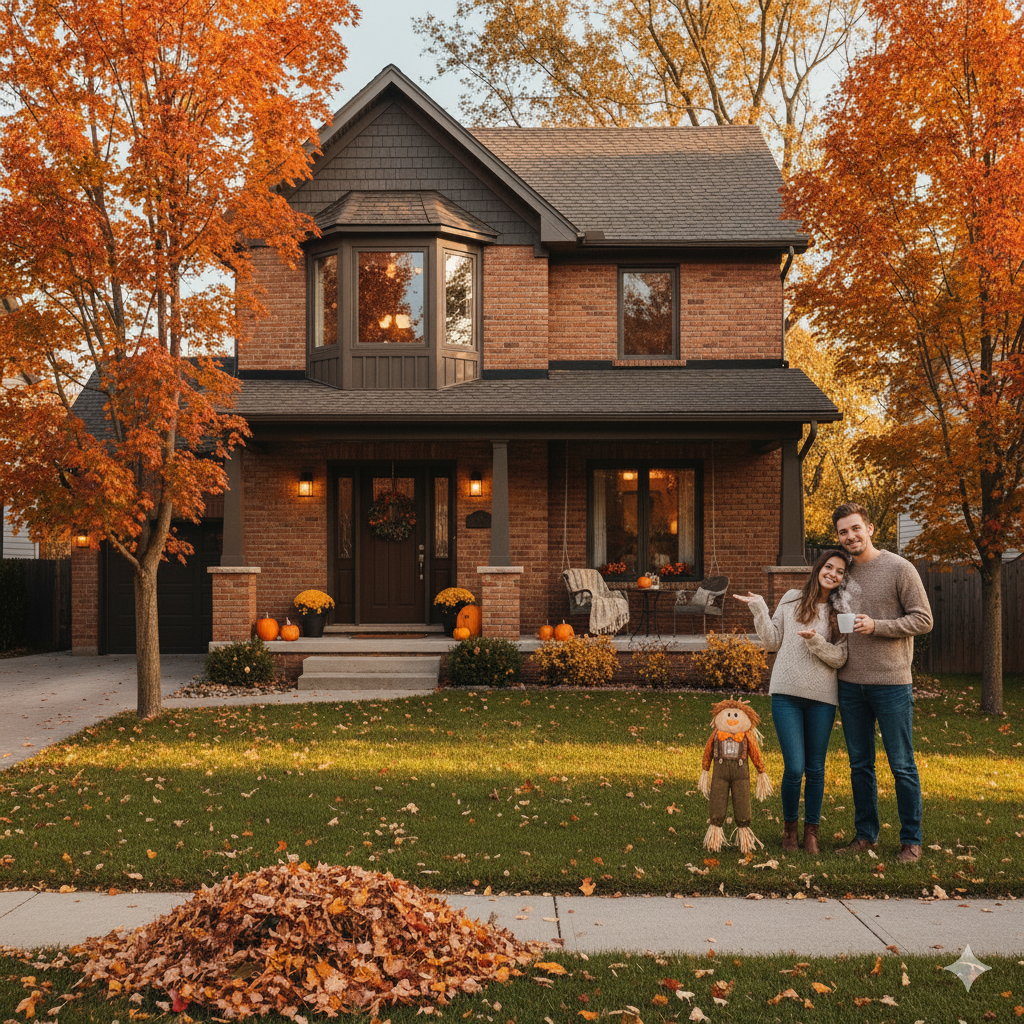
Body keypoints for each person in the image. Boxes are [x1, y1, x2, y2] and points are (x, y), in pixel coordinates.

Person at [831, 501, 933, 863]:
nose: (850, 536)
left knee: (901, 764)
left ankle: (911, 840)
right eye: (843, 532)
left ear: (870, 528)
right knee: (860, 765)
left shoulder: (899, 568)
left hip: (891, 683)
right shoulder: (841, 573)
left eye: (855, 528)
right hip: (850, 683)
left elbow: (923, 619)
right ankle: (865, 835)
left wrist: (878, 626)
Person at [734, 549, 849, 853]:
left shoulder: (841, 611)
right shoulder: (791, 598)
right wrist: (760, 609)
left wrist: (816, 642)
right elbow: (772, 641)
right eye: (829, 567)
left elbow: (840, 657)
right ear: (819, 567)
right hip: (786, 694)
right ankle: (789, 830)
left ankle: (811, 832)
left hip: (822, 698)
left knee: (816, 769)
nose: (833, 574)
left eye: (839, 572)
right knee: (795, 768)